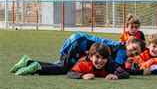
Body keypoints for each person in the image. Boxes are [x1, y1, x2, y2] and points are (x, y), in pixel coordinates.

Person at [11, 33, 145, 76]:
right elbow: (121, 70)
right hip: (79, 42)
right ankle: (37, 69)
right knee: (65, 69)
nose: (133, 52)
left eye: (136, 52)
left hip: (78, 40)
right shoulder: (121, 49)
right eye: (133, 48)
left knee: (61, 65)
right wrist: (141, 72)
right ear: (128, 42)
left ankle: (28, 62)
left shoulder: (120, 48)